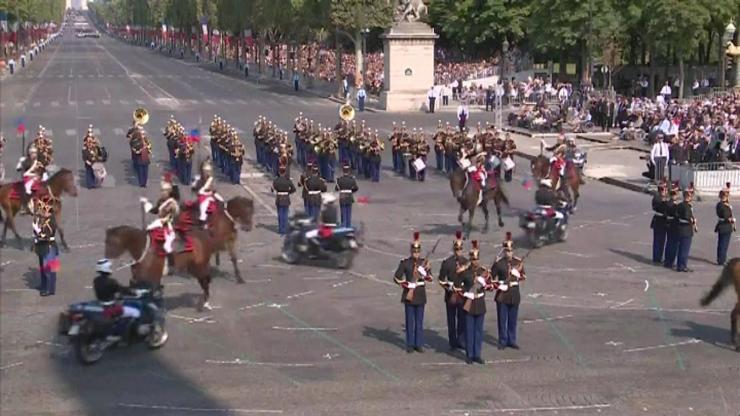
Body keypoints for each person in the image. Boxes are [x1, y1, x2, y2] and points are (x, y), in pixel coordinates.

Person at [393, 232, 433, 353]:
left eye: (418, 251)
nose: (416, 253)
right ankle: (410, 344)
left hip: (420, 293)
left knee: (419, 321)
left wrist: (425, 271)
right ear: (411, 251)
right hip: (409, 293)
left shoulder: (423, 263)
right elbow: (397, 277)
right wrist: (408, 285)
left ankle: (418, 343)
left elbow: (430, 279)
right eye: (414, 251)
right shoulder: (405, 263)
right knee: (410, 320)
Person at [456, 240, 491, 364]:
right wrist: (466, 293)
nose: (475, 261)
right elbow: (457, 287)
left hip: (480, 302)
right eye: (473, 259)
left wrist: (484, 283)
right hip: (469, 302)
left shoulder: (483, 271)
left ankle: (477, 354)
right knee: (469, 330)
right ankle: (469, 354)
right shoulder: (465, 272)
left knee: (478, 330)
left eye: (477, 259)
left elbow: (491, 287)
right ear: (470, 259)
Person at [492, 232, 525, 350]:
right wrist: (500, 285)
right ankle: (502, 340)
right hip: (502, 294)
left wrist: (516, 273)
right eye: (507, 251)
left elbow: (523, 277)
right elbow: (491, 278)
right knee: (502, 319)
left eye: (510, 251)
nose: (509, 253)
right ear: (504, 251)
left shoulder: (518, 262)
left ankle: (512, 339)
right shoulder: (499, 263)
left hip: (514, 293)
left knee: (513, 319)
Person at [437, 231, 467, 352]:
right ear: (454, 249)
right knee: (451, 319)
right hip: (450, 294)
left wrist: (464, 288)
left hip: (462, 295)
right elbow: (441, 279)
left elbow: (469, 279)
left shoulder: (466, 262)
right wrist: (448, 287)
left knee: (462, 319)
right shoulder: (447, 263)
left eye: (460, 249)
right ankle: (452, 342)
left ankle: (461, 340)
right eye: (456, 249)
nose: (458, 251)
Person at [32, 193, 59, 297]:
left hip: (49, 246)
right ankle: (44, 285)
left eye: (43, 210)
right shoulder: (43, 219)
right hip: (41, 246)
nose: (41, 211)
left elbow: (47, 234)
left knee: (49, 269)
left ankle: (49, 288)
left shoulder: (51, 220)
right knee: (42, 268)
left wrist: (38, 231)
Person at [192, 159, 222, 226]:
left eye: (208, 171)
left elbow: (213, 188)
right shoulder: (199, 179)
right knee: (203, 207)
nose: (207, 173)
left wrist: (213, 191)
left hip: (211, 194)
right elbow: (197, 189)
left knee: (221, 201)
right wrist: (195, 183)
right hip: (203, 196)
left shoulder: (211, 179)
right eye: (206, 171)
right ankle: (202, 222)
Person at [17, 145, 44, 214]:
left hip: (37, 179)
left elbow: (41, 171)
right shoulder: (25, 161)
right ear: (29, 153)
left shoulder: (39, 162)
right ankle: (25, 207)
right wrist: (20, 162)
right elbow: (19, 169)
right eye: (32, 153)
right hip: (28, 179)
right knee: (26, 191)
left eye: (35, 152)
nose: (33, 154)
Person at [675, 187, 696, 272]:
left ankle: (680, 265)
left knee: (681, 248)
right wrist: (693, 220)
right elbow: (687, 216)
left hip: (680, 228)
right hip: (686, 229)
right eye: (690, 195)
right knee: (685, 249)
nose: (690, 197)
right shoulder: (687, 206)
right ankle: (682, 266)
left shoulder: (680, 204)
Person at [271, 165, 296, 236]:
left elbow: (272, 189)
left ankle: (281, 229)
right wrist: (288, 193)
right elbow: (293, 189)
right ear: (285, 172)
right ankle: (284, 229)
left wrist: (276, 190)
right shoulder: (288, 180)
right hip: (286, 198)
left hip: (279, 198)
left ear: (279, 172)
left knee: (280, 214)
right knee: (285, 214)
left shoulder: (276, 180)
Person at [715, 182, 735, 265]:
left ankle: (721, 258)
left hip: (724, 226)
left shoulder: (724, 204)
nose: (727, 196)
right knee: (723, 244)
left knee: (723, 243)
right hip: (724, 226)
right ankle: (721, 260)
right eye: (726, 195)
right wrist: (731, 219)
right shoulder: (721, 205)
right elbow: (725, 215)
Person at [662, 184, 681, 269]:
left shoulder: (668, 203)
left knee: (669, 243)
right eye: (675, 194)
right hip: (673, 225)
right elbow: (676, 215)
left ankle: (667, 260)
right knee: (673, 244)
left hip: (668, 224)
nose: (676, 195)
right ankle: (669, 261)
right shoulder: (673, 205)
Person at [650, 182, 669, 263]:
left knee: (662, 240)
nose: (665, 191)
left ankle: (659, 257)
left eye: (665, 189)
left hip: (663, 221)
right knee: (658, 240)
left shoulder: (663, 198)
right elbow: (660, 207)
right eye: (663, 189)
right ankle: (656, 258)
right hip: (659, 220)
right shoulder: (657, 198)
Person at [335, 163, 359, 228]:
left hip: (342, 197)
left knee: (343, 213)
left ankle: (343, 226)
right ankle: (348, 226)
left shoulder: (339, 179)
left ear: (343, 171)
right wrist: (351, 191)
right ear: (349, 171)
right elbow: (356, 188)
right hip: (349, 196)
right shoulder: (352, 179)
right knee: (349, 213)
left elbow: (336, 188)